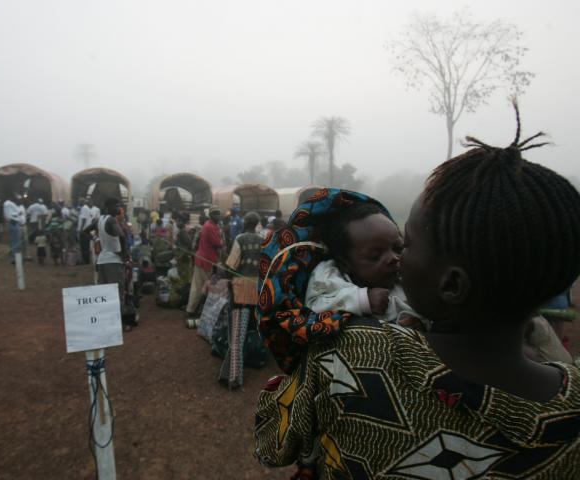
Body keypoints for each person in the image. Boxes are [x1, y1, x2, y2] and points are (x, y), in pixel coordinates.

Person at [254, 106, 580, 478]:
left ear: (451, 285)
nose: (397, 260)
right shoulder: (569, 403)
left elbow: (271, 443)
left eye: (405, 245)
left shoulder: (352, 355)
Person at [305, 202, 418, 324]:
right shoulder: (329, 275)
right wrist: (363, 300)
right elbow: (314, 304)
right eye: (375, 256)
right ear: (345, 263)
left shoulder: (406, 279)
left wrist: (418, 322)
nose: (394, 258)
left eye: (399, 248)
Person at [219, 211, 265, 388]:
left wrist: (225, 273)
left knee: (238, 329)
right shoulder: (263, 240)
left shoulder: (240, 239)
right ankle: (248, 359)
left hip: (240, 288)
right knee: (251, 327)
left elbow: (231, 265)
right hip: (256, 288)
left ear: (245, 223)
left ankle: (234, 374)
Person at [85, 197, 136, 331]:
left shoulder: (98, 220)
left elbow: (84, 231)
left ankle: (104, 322)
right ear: (108, 207)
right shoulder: (112, 220)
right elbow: (122, 236)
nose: (118, 208)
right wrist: (124, 254)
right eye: (116, 206)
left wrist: (97, 239)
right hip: (113, 262)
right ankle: (119, 325)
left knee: (103, 294)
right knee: (117, 294)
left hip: (102, 261)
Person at [185, 206, 224, 321]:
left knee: (200, 286)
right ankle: (192, 310)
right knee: (201, 287)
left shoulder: (212, 225)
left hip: (206, 260)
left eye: (219, 213)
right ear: (211, 215)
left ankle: (194, 309)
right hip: (205, 261)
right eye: (215, 214)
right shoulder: (209, 227)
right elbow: (219, 243)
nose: (218, 216)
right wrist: (221, 241)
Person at [3, 194, 23, 263]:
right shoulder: (10, 204)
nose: (18, 200)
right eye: (17, 199)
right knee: (16, 241)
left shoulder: (8, 204)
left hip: (12, 223)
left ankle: (13, 256)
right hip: (14, 223)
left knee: (13, 241)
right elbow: (18, 213)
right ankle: (14, 258)